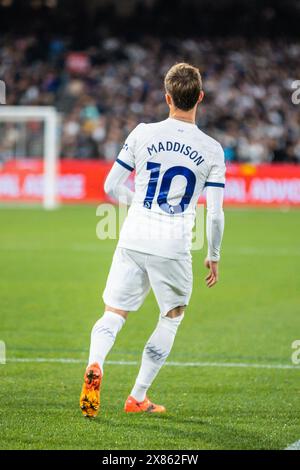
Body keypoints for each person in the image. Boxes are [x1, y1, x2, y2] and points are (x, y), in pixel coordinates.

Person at [79, 63, 225, 417]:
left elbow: (111, 186)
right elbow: (217, 213)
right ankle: (137, 396)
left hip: (133, 235)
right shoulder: (211, 148)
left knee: (114, 312)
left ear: (167, 98)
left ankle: (95, 363)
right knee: (171, 315)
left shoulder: (143, 132)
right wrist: (214, 254)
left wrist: (141, 205)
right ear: (200, 98)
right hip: (173, 243)